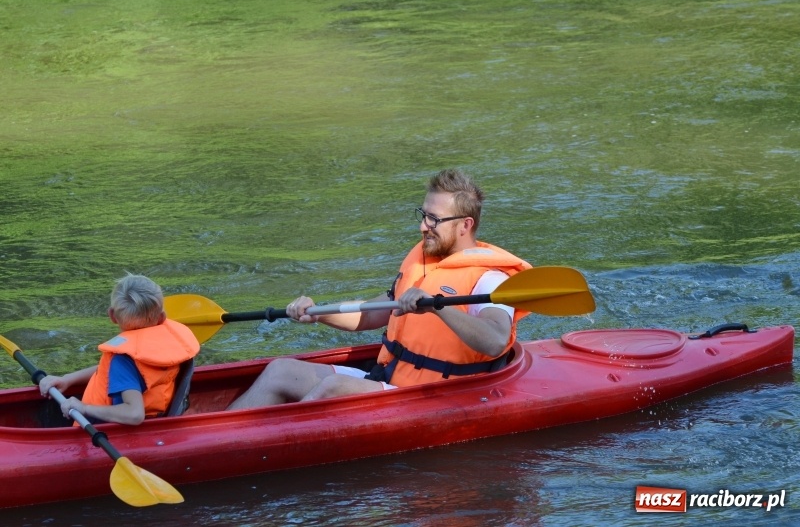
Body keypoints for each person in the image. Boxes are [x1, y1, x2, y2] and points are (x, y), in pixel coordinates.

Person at [227, 168, 531, 410]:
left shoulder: (491, 279)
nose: (423, 226)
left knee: (333, 389)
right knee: (280, 369)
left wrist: (438, 306)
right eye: (422, 215)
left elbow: (495, 340)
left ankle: (252, 450)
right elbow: (372, 314)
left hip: (433, 395)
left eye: (434, 219)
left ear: (465, 225)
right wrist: (318, 313)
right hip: (390, 376)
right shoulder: (425, 260)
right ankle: (222, 437)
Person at [39, 274, 200, 425]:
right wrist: (67, 379)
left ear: (112, 316)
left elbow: (135, 414)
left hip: (106, 433)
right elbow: (114, 372)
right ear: (161, 317)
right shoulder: (166, 346)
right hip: (157, 420)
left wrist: (83, 407)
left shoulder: (123, 360)